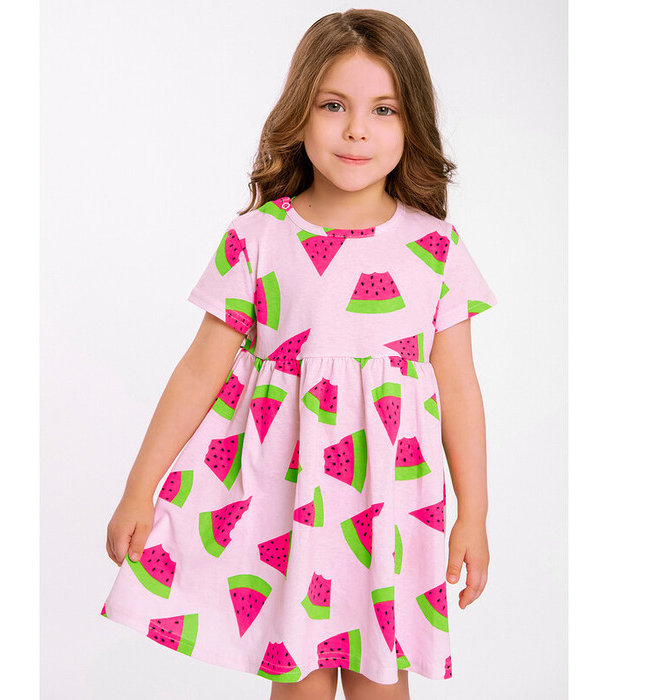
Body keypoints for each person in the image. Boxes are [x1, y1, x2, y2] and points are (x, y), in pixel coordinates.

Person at [102, 8, 498, 700]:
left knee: (382, 681)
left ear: (412, 124)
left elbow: (459, 388)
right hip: (282, 503)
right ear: (299, 114)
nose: (356, 129)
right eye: (333, 105)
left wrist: (475, 514)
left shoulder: (435, 248)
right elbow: (199, 371)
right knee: (300, 683)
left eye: (383, 109)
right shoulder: (257, 237)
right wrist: (140, 488)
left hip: (392, 504)